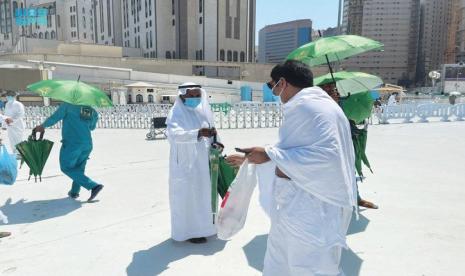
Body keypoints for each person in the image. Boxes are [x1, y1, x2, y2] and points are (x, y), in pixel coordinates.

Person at [228, 60, 357, 275]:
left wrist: (269, 154)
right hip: (297, 204)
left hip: (311, 207)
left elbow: (327, 157)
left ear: (283, 83)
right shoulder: (320, 105)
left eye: (272, 86)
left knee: (307, 266)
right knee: (283, 261)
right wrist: (260, 158)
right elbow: (295, 150)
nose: (274, 92)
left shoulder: (306, 107)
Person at [166, 82, 221, 244]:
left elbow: (213, 131)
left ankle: (206, 228)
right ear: (182, 96)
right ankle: (189, 231)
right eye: (191, 95)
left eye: (198, 95)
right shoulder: (176, 113)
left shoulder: (203, 111)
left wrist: (218, 142)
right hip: (186, 163)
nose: (195, 98)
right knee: (188, 196)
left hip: (205, 161)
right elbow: (173, 135)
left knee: (205, 194)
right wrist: (196, 133)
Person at [33, 103, 103, 202]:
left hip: (72, 143)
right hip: (87, 143)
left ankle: (93, 186)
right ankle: (74, 192)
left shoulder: (68, 106)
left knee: (66, 167)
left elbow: (55, 118)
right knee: (79, 168)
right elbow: (92, 127)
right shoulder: (91, 110)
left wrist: (43, 126)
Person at [0, 90, 25, 155]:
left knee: (18, 139)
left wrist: (12, 120)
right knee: (12, 140)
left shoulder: (19, 104)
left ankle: (20, 153)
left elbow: (20, 114)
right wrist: (4, 125)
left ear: (14, 96)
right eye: (7, 96)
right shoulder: (7, 104)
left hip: (17, 125)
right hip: (9, 126)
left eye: (10, 96)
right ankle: (15, 153)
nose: (8, 97)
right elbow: (6, 114)